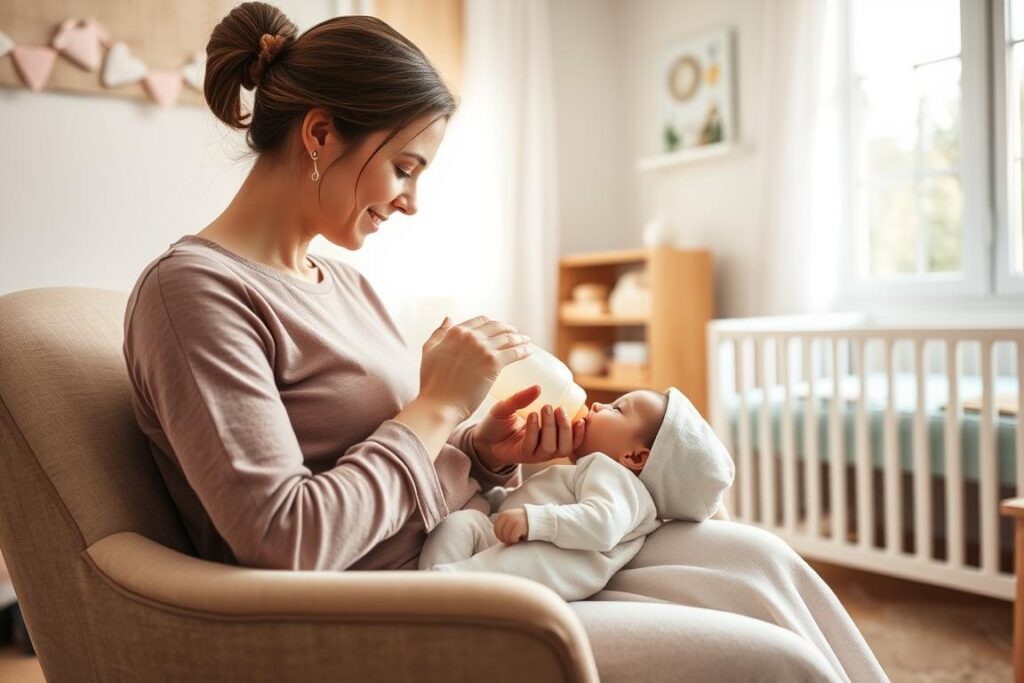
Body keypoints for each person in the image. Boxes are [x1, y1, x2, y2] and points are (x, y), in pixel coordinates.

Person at [122, 3, 888, 681]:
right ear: (320, 133)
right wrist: (433, 406)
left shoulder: (343, 283)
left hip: (468, 548)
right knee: (772, 663)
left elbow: (409, 460)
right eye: (404, 167)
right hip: (386, 603)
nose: (413, 202)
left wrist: (484, 451)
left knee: (762, 560)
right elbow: (286, 539)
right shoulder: (194, 294)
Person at [418, 388, 735, 602]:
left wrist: (536, 520)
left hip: (546, 560)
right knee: (462, 523)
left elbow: (603, 523)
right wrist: (499, 502)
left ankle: (432, 594)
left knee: (484, 569)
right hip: (510, 538)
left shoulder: (620, 482)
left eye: (616, 409)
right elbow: (536, 496)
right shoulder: (590, 470)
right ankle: (423, 587)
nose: (597, 405)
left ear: (635, 458)